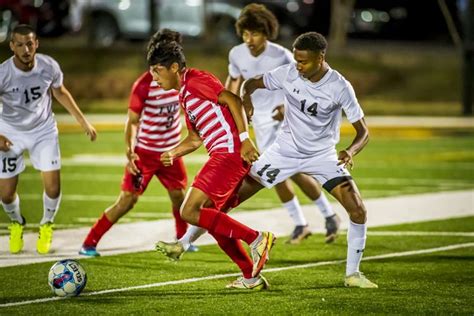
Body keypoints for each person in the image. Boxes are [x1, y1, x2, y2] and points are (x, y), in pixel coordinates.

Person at [237, 32, 377, 288]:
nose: (298, 65)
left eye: (304, 61)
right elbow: (250, 84)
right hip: (284, 152)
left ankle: (353, 275)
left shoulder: (339, 86)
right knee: (231, 197)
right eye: (296, 59)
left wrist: (350, 151)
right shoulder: (289, 72)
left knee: (358, 209)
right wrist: (247, 102)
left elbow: (364, 132)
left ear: (321, 57)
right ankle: (186, 240)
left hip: (322, 155)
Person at [148, 37, 275, 290]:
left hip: (228, 153)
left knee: (188, 211)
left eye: (157, 72)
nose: (154, 79)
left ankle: (257, 238)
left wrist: (245, 140)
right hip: (223, 154)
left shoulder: (196, 80)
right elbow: (195, 139)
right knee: (211, 219)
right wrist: (174, 152)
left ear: (174, 67)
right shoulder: (184, 95)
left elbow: (233, 100)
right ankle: (251, 276)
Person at [225, 3, 340, 244]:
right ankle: (316, 219)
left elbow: (305, 86)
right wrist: (227, 107)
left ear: (266, 32)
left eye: (254, 33)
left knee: (281, 171)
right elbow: (233, 83)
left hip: (284, 124)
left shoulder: (281, 56)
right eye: (245, 33)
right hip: (260, 123)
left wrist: (288, 107)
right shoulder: (236, 53)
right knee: (277, 174)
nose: (249, 39)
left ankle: (314, 219)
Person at [79, 29, 195, 257]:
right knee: (127, 200)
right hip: (146, 153)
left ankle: (183, 241)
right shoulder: (144, 85)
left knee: (179, 197)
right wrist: (129, 151)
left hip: (171, 152)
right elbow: (132, 121)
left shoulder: (182, 82)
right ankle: (89, 242)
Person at [0, 24, 97, 254]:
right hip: (10, 133)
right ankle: (16, 222)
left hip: (43, 131)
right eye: (20, 44)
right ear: (12, 46)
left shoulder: (48, 66)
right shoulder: (3, 73)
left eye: (30, 44)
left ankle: (46, 224)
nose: (26, 49)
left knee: (53, 188)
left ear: (37, 44)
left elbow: (60, 91)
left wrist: (83, 122)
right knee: (5, 193)